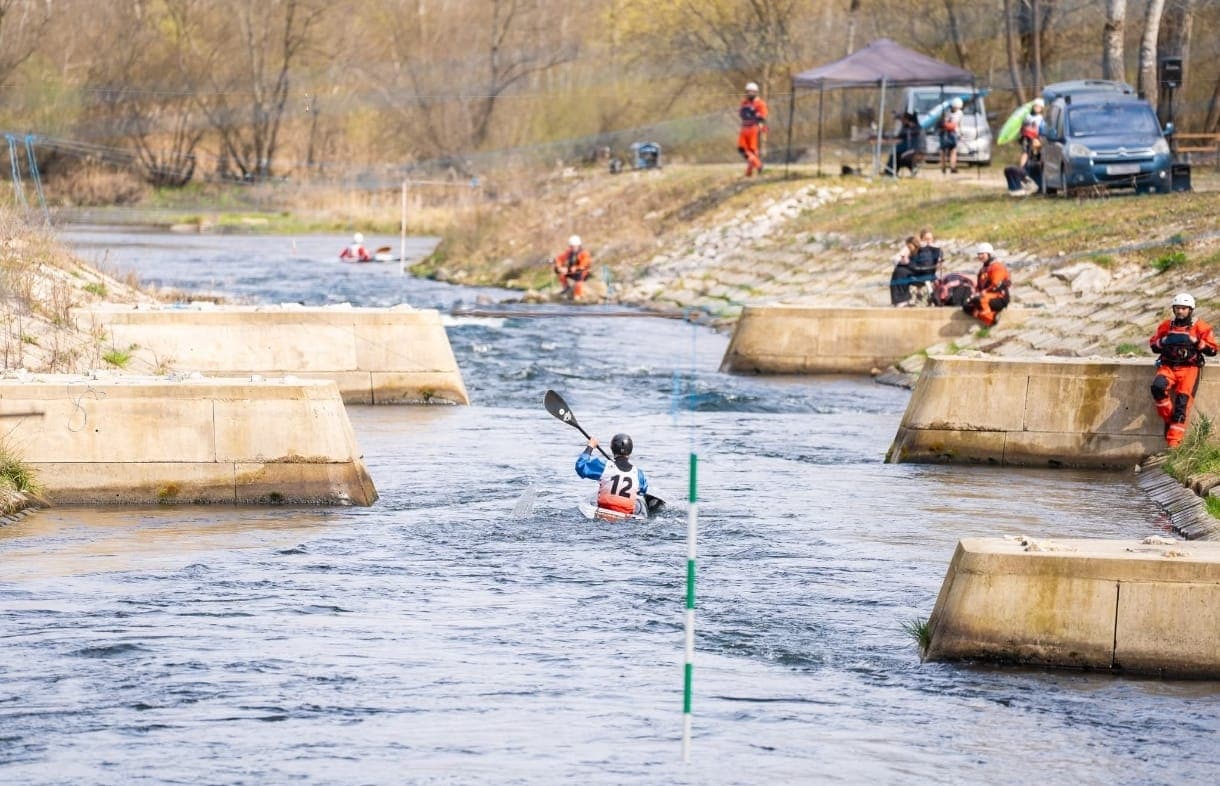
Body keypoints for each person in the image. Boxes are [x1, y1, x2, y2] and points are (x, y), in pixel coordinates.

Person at [1149, 293, 1218, 448]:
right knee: (1157, 388)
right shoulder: (1167, 326)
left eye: (1183, 308)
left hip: (1189, 370)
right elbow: (1154, 345)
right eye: (1177, 308)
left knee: (1182, 405)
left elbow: (1213, 350)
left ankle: (1173, 445)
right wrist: (1164, 341)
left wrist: (1196, 342)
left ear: (1190, 309)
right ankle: (1170, 418)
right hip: (1168, 367)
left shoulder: (1201, 327)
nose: (1180, 311)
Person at [575, 433, 649, 520]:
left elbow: (580, 466)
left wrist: (590, 446)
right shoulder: (638, 474)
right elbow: (642, 491)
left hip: (603, 514)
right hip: (626, 519)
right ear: (630, 450)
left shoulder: (604, 466)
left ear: (612, 449)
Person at [963, 243, 1011, 326]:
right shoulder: (983, 269)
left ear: (989, 254)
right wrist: (974, 294)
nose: (980, 256)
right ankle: (987, 315)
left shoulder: (997, 267)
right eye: (979, 254)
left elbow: (995, 284)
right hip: (986, 295)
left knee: (979, 300)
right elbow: (979, 286)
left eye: (982, 254)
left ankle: (992, 319)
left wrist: (983, 292)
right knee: (967, 306)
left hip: (999, 297)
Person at [737, 82, 768, 177]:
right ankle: (753, 169)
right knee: (742, 149)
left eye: (752, 91)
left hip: (754, 127)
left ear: (756, 92)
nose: (749, 93)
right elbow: (741, 113)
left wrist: (755, 115)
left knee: (752, 150)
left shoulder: (760, 103)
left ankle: (756, 167)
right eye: (748, 91)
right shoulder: (744, 102)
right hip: (744, 127)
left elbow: (762, 117)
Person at [884, 112, 924, 177]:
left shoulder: (916, 128)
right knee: (895, 155)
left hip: (914, 149)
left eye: (904, 119)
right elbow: (899, 136)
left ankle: (891, 172)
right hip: (906, 149)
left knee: (899, 157)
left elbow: (912, 135)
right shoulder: (906, 127)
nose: (902, 121)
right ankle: (890, 172)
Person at [553, 235, 592, 299]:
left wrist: (575, 268)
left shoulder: (584, 253)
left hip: (582, 272)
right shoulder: (569, 252)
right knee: (561, 274)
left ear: (579, 245)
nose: (573, 248)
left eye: (574, 246)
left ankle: (577, 296)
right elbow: (559, 259)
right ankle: (566, 289)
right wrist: (560, 267)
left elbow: (583, 265)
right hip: (573, 271)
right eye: (571, 246)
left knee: (578, 283)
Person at [889, 235, 922, 306]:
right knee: (898, 271)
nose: (908, 248)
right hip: (914, 271)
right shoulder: (912, 252)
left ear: (914, 245)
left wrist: (906, 259)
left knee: (900, 272)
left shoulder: (920, 252)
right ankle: (901, 299)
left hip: (919, 273)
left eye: (909, 247)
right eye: (908, 247)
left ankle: (901, 300)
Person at [938, 96, 964, 174]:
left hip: (953, 133)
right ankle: (943, 167)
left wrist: (960, 132)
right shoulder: (946, 111)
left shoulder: (960, 113)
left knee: (953, 150)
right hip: (944, 132)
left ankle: (953, 167)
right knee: (943, 151)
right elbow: (942, 122)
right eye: (954, 107)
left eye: (957, 108)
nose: (955, 109)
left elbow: (960, 124)